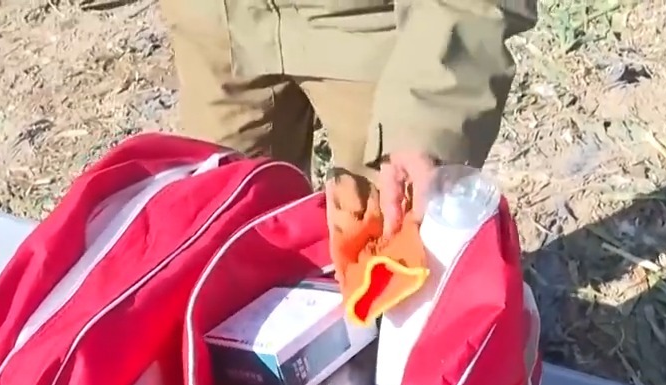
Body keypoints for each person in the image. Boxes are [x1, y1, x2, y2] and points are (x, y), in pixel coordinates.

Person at [160, 0, 538, 234]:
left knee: (396, 250)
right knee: (224, 241)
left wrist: (429, 113)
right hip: (212, 25)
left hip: (373, 25)